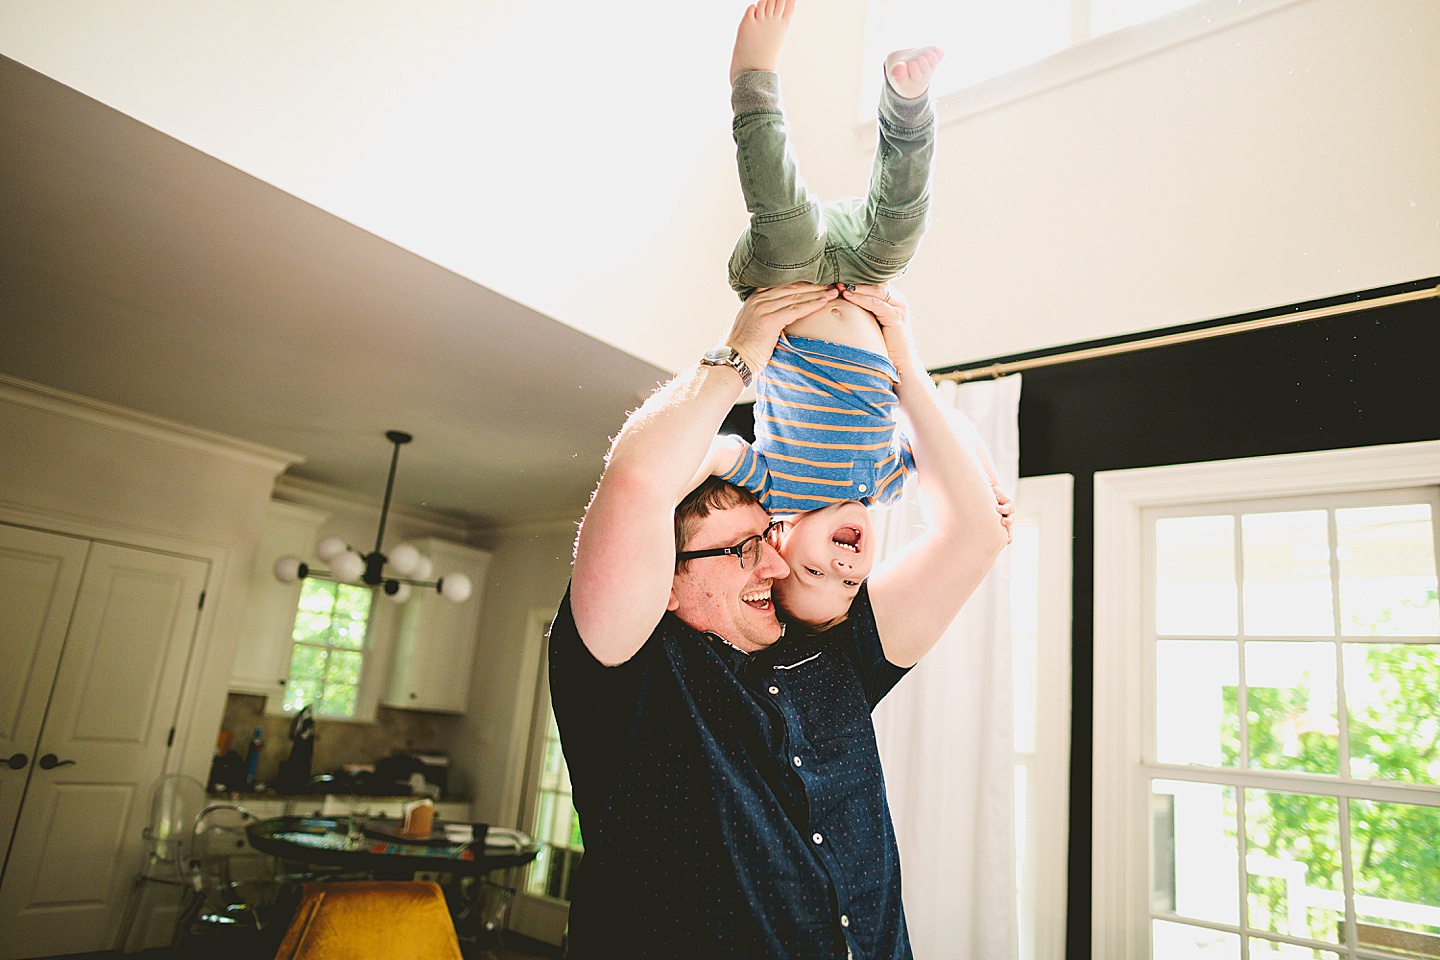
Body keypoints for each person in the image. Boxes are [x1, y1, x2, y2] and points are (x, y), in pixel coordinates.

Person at [548, 282, 1009, 959]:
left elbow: (977, 532)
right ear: (669, 580)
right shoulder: (628, 668)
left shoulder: (836, 650)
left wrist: (903, 366)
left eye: (767, 538)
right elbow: (639, 479)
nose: (773, 565)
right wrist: (738, 369)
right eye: (740, 549)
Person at [690, 1, 997, 631]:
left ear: (777, 546)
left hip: (788, 277)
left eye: (815, 574)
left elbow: (712, 455)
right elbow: (946, 437)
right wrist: (987, 480)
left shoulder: (773, 489)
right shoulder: (883, 483)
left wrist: (658, 496)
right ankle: (906, 103)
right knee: (903, 227)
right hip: (858, 275)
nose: (844, 568)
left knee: (790, 221)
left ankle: (753, 81)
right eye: (851, 584)